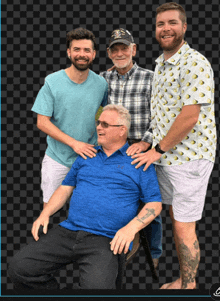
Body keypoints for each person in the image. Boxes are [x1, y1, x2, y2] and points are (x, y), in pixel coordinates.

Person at [8, 104, 162, 292]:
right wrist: (45, 213)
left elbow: (154, 203)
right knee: (20, 268)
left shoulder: (139, 161)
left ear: (122, 130)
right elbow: (65, 188)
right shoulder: (86, 155)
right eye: (98, 123)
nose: (98, 127)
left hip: (106, 238)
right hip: (69, 230)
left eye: (105, 124)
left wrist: (131, 229)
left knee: (98, 289)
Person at [131, 2, 217, 289]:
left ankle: (188, 285)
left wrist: (158, 149)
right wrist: (147, 142)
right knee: (171, 215)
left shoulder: (195, 62)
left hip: (188, 158)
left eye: (172, 22)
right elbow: (162, 113)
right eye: (160, 24)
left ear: (184, 27)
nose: (165, 28)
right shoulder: (161, 64)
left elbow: (189, 115)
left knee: (183, 224)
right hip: (167, 155)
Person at [100, 28, 162, 269]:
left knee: (150, 200)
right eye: (114, 49)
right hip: (114, 147)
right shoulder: (103, 79)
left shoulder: (151, 77)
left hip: (144, 147)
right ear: (108, 53)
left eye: (124, 47)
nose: (120, 52)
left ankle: (154, 253)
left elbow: (162, 116)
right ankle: (113, 248)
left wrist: (145, 142)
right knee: (114, 197)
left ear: (134, 49)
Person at [31, 27, 108, 209]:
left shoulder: (101, 84)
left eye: (87, 50)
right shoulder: (52, 81)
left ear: (94, 54)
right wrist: (74, 143)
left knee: (86, 209)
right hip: (57, 158)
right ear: (68, 52)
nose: (82, 54)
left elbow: (100, 113)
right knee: (49, 209)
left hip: (90, 158)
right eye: (77, 49)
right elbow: (42, 121)